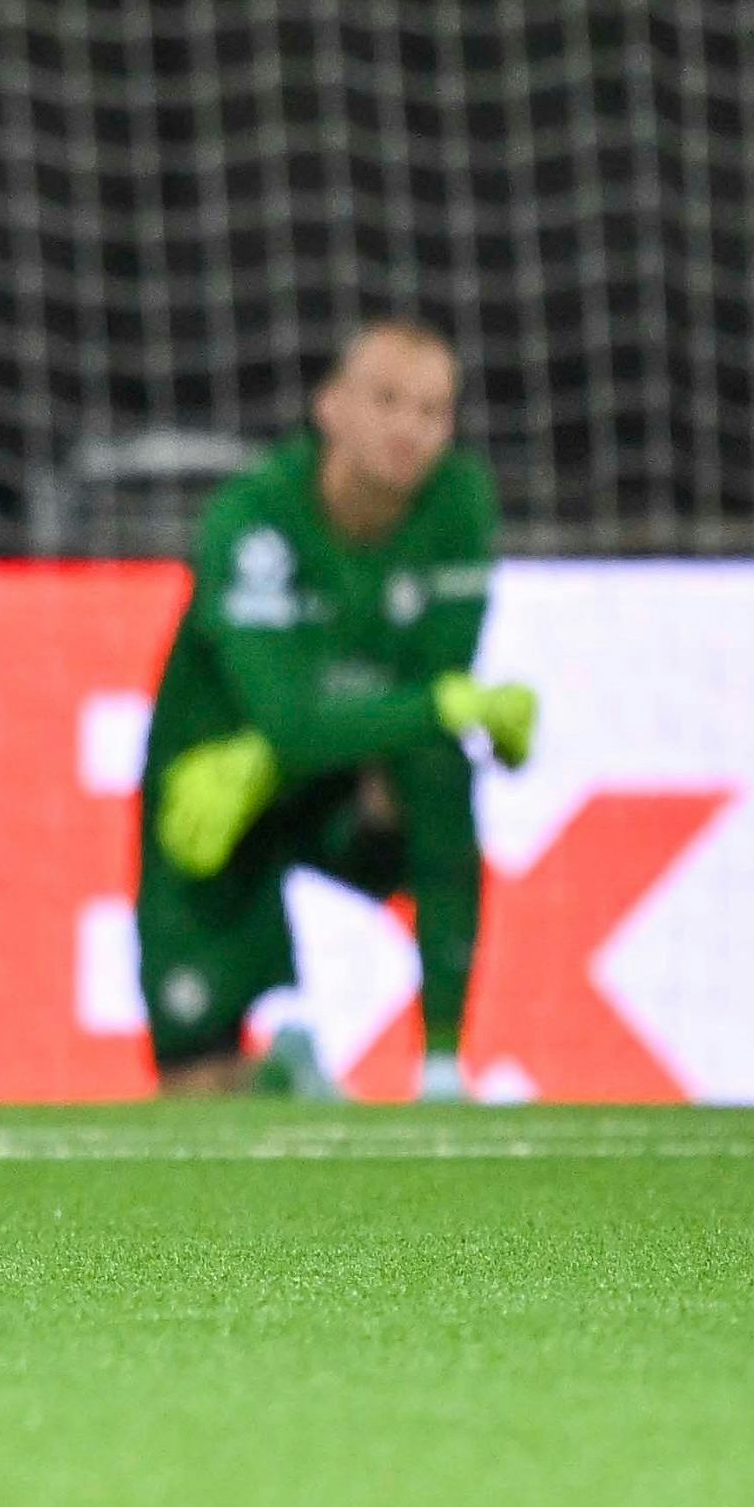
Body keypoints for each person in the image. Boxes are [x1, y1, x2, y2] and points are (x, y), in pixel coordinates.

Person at [138, 322, 537, 1101]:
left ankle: (445, 1069)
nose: (410, 430)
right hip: (214, 801)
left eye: (432, 411)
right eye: (387, 401)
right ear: (329, 407)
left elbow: (433, 687)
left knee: (439, 762)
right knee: (193, 1082)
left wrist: (436, 713)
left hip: (341, 789)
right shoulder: (252, 520)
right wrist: (434, 704)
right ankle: (280, 1076)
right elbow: (288, 721)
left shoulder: (459, 504)